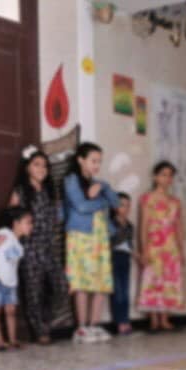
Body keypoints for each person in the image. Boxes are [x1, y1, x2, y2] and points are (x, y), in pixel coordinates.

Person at [9, 146, 67, 345]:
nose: (42, 169)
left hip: (49, 248)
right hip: (29, 249)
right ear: (27, 168)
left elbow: (57, 218)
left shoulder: (51, 191)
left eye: (44, 165)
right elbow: (13, 220)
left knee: (60, 286)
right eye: (37, 165)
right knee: (33, 292)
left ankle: (46, 322)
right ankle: (40, 331)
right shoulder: (20, 192)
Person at [64, 142, 120, 343]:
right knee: (81, 282)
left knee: (100, 281)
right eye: (93, 161)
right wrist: (101, 201)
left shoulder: (99, 183)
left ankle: (94, 325)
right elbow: (81, 206)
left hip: (99, 236)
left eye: (99, 162)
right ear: (81, 160)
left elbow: (116, 202)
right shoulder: (71, 180)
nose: (97, 165)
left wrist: (103, 187)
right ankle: (81, 328)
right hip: (80, 236)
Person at [137, 161, 185, 331]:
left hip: (170, 246)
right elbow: (143, 226)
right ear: (155, 177)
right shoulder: (147, 198)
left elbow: (179, 227)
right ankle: (153, 320)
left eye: (170, 175)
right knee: (152, 280)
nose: (167, 178)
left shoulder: (175, 201)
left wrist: (181, 249)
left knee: (168, 281)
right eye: (163, 174)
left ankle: (164, 318)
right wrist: (143, 249)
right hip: (154, 245)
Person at [0, 207, 33, 350]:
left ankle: (12, 339)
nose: (31, 226)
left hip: (10, 282)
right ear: (16, 223)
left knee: (11, 311)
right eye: (28, 222)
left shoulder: (19, 246)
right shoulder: (4, 234)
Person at [110, 192, 137, 335]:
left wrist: (136, 255)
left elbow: (129, 245)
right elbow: (114, 242)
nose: (125, 208)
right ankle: (120, 322)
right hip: (113, 259)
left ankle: (126, 320)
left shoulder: (130, 226)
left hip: (125, 260)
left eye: (128, 205)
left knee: (125, 292)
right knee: (118, 292)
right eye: (122, 205)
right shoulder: (111, 224)